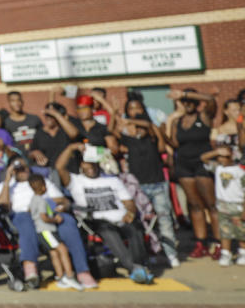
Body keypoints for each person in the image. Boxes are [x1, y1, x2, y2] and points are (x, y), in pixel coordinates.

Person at [56, 142, 154, 284]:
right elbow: (59, 167)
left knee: (135, 229)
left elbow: (129, 203)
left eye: (93, 163)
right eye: (86, 164)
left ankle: (139, 265)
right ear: (81, 165)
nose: (90, 167)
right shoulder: (76, 181)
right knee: (108, 232)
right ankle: (133, 268)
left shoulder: (113, 181)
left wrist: (130, 213)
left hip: (121, 217)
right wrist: (70, 148)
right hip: (98, 219)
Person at [0, 156, 96, 289]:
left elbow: (62, 199)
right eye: (18, 168)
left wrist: (63, 206)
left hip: (48, 212)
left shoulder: (41, 181)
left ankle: (82, 271)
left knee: (68, 222)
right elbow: (1, 206)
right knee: (26, 222)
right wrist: (7, 180)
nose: (22, 170)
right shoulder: (4, 186)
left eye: (25, 167)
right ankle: (30, 268)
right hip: (23, 215)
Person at [114, 98, 180, 267]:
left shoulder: (152, 130)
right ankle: (149, 252)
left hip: (157, 182)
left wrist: (137, 122)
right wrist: (118, 117)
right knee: (143, 223)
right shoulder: (127, 135)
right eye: (131, 108)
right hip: (137, 186)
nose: (134, 111)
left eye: (138, 108)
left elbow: (161, 147)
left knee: (164, 220)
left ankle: (170, 254)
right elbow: (115, 138)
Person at [165, 88, 221, 258]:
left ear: (196, 103)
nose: (187, 105)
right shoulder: (178, 121)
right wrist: (167, 124)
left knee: (211, 204)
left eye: (190, 102)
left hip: (202, 163)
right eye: (184, 102)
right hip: (184, 164)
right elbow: (174, 144)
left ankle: (219, 243)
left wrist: (185, 94)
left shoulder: (204, 116)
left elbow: (210, 98)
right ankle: (200, 243)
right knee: (195, 205)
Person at [28, 174, 83, 290]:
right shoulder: (42, 201)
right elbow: (44, 217)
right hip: (47, 231)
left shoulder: (33, 200)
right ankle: (69, 276)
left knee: (54, 253)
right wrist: (55, 219)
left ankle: (60, 276)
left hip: (41, 231)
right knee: (63, 250)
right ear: (43, 187)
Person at [200, 146, 245, 266]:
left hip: (237, 206)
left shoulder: (240, 172)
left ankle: (243, 252)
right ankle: (226, 253)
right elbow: (203, 158)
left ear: (232, 157)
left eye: (223, 157)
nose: (220, 159)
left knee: (241, 231)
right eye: (218, 157)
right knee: (225, 231)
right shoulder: (218, 168)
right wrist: (216, 151)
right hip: (222, 205)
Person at [27, 102, 79, 169]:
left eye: (52, 115)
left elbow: (74, 134)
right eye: (47, 115)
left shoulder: (66, 130)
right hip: (49, 171)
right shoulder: (40, 133)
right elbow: (31, 152)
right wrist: (34, 153)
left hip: (68, 170)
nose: (48, 118)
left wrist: (55, 114)